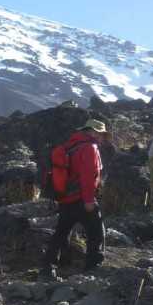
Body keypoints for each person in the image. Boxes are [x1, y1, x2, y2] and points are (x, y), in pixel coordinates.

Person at [41, 120, 107, 280]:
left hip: (65, 199)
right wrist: (89, 200)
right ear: (91, 132)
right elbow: (88, 176)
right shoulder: (89, 148)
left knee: (61, 234)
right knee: (96, 233)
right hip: (82, 199)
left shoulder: (69, 146)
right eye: (99, 133)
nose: (101, 137)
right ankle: (93, 269)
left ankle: (47, 270)